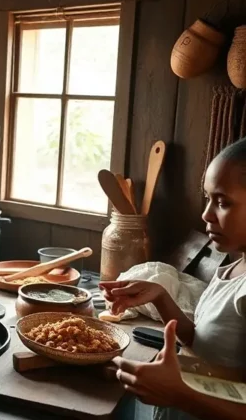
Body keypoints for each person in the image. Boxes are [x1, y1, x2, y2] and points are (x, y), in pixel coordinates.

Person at [100, 138, 246, 420]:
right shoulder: (233, 268)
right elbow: (204, 344)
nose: (206, 214)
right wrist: (161, 297)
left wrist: (180, 394)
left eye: (222, 202)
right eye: (208, 199)